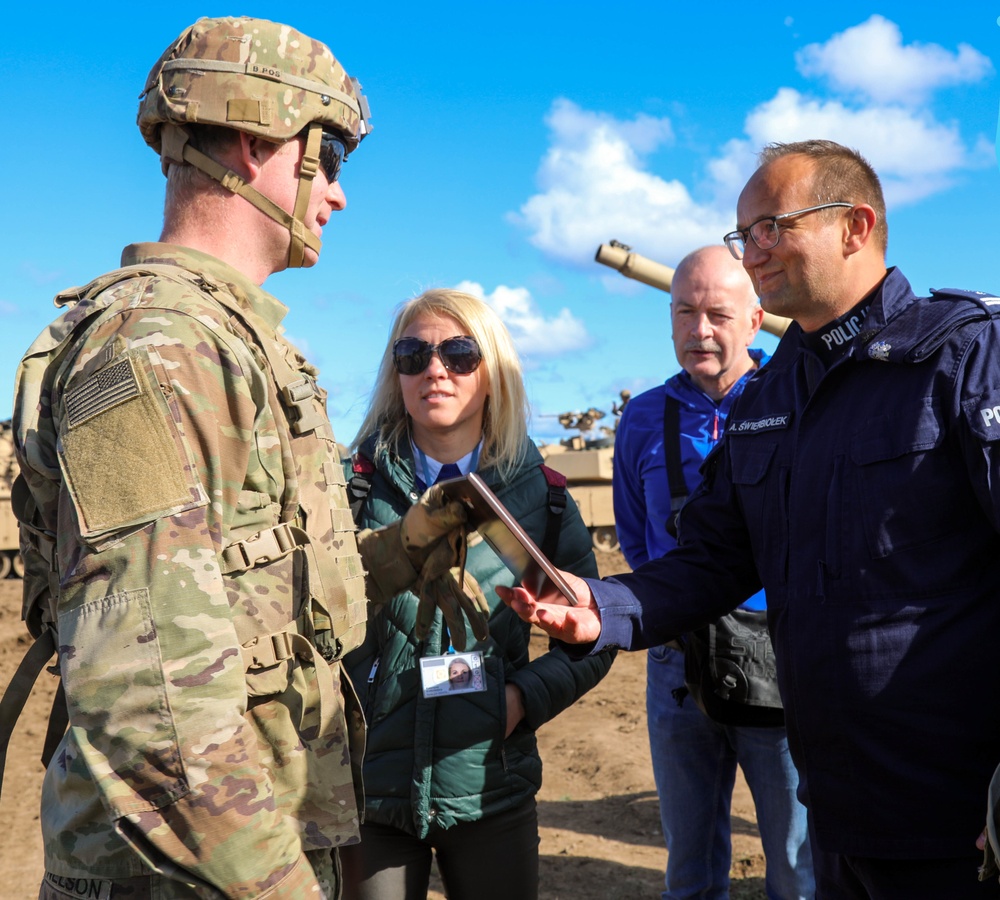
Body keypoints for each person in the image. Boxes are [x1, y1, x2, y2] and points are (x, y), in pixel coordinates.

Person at [8, 17, 484, 900]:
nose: (338, 195)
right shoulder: (153, 352)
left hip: (243, 848)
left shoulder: (231, 346)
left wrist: (405, 547)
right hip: (183, 873)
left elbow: (248, 597)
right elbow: (150, 703)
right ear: (252, 137)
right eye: (331, 156)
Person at [500, 139, 1000, 899]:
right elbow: (712, 559)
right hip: (836, 809)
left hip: (959, 820)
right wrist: (600, 605)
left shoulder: (963, 361)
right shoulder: (768, 405)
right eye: (744, 234)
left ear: (854, 227)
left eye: (772, 227)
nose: (752, 251)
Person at [339, 288, 616, 900]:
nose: (434, 369)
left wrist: (519, 698)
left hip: (491, 784)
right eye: (412, 354)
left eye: (460, 353)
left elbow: (594, 637)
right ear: (396, 374)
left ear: (494, 374)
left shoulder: (541, 498)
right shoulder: (348, 490)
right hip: (366, 789)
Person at [614, 244, 813, 899]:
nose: (700, 330)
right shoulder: (642, 418)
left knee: (795, 858)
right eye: (685, 312)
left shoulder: (798, 402)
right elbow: (635, 533)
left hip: (778, 661)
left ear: (756, 320)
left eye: (718, 314)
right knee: (690, 861)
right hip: (676, 664)